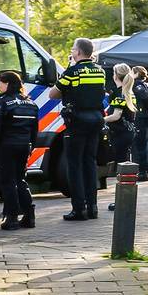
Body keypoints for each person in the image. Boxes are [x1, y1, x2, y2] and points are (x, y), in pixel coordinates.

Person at [48, 38, 107, 220]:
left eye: (73, 49)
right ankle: (93, 207)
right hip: (96, 120)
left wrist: (67, 71)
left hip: (77, 122)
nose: (72, 52)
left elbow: (53, 94)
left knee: (74, 165)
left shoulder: (72, 72)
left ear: (79, 52)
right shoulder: (100, 71)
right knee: (90, 163)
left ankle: (79, 209)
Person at [0, 71, 37, 229]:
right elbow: (35, 131)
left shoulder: (1, 103)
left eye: (0, 82)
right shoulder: (31, 103)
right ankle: (29, 216)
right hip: (23, 146)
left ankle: (12, 218)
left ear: (7, 83)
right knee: (20, 180)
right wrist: (30, 147)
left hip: (6, 147)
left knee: (7, 182)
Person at [104, 63, 136, 212]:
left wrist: (100, 119)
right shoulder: (129, 92)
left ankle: (121, 201)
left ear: (116, 76)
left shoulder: (119, 93)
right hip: (128, 133)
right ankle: (126, 199)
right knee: (125, 168)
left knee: (121, 169)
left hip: (120, 134)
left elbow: (116, 116)